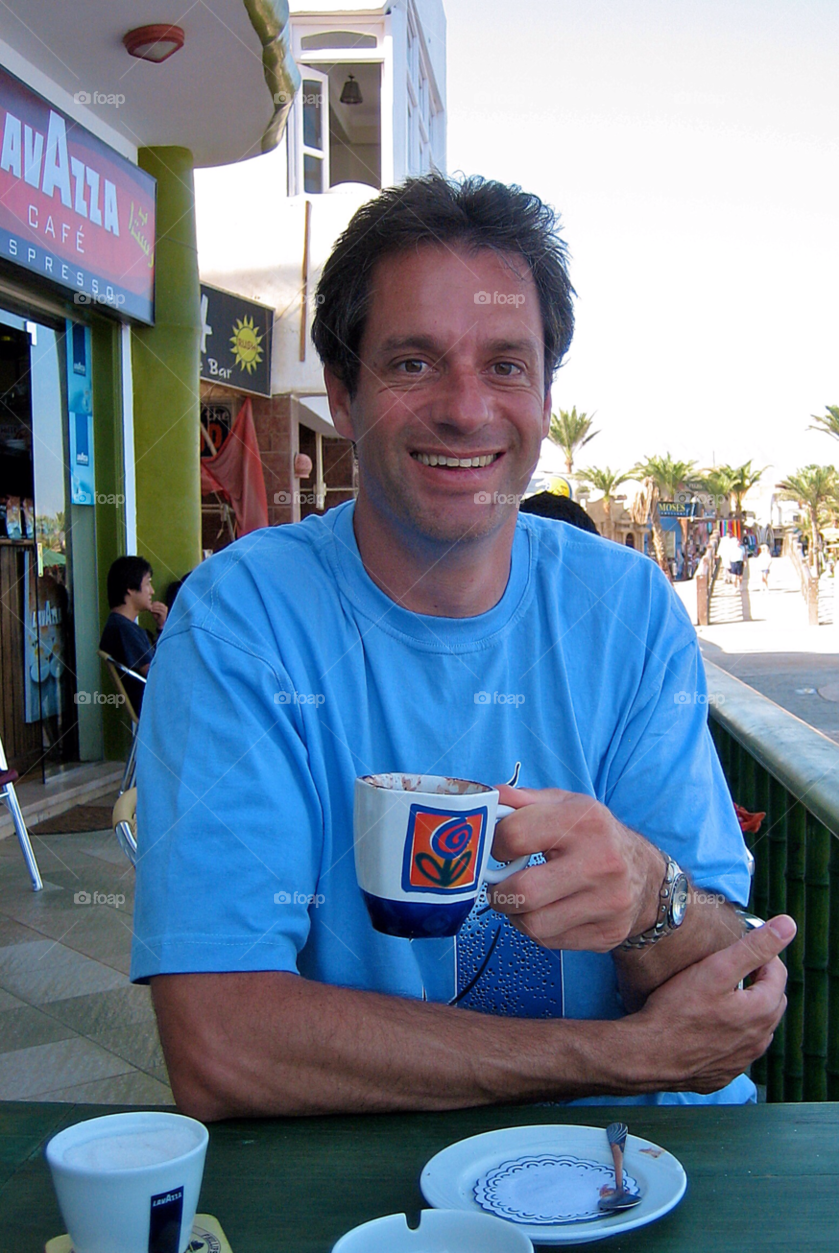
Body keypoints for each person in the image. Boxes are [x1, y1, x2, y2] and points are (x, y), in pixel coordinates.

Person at [132, 174, 793, 1121]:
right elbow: (224, 1044)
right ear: (344, 396)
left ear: (546, 396)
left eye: (507, 366)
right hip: (379, 1191)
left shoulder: (629, 607)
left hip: (643, 1172)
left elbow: (729, 970)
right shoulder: (244, 618)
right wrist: (613, 1057)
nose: (467, 408)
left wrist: (651, 896)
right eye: (413, 363)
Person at [98, 557, 167, 716]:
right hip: (158, 707)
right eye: (148, 583)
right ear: (130, 587)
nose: (152, 591)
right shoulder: (123, 630)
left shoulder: (121, 626)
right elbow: (157, 673)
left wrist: (161, 627)